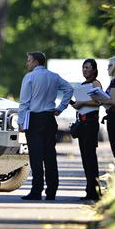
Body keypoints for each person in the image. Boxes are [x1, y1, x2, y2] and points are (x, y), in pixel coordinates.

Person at [17, 52, 73, 201]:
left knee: (36, 156)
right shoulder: (54, 76)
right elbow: (69, 89)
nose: (27, 63)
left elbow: (24, 102)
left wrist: (20, 121)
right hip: (49, 118)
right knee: (49, 155)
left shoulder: (29, 77)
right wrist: (61, 107)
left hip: (34, 119)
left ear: (35, 61)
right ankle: (52, 190)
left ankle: (37, 190)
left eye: (28, 60)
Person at [71, 59, 102, 201]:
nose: (85, 70)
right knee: (85, 158)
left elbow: (99, 102)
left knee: (90, 157)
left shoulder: (96, 84)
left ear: (94, 70)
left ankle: (95, 190)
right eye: (83, 68)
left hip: (91, 124)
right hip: (83, 124)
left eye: (88, 68)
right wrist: (76, 104)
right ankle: (89, 189)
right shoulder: (82, 85)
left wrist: (83, 102)